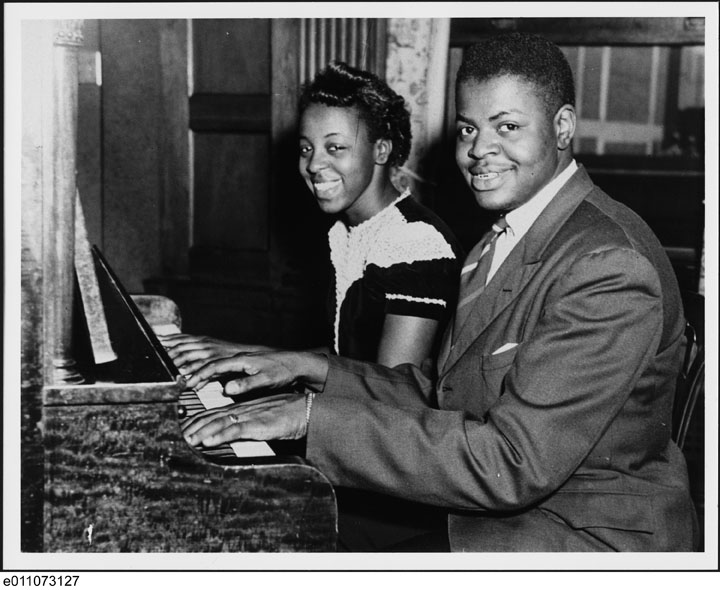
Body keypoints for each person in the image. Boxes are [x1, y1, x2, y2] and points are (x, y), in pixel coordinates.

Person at [180, 33, 698, 552]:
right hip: (501, 511)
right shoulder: (501, 238)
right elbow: (444, 392)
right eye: (468, 128)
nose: (478, 150)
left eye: (508, 127)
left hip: (576, 539)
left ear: (563, 127)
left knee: (288, 538)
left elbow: (512, 463)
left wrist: (309, 419)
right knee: (271, 520)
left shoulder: (608, 264)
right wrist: (303, 371)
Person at [163, 62, 462, 550]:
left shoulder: (415, 243)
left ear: (382, 150)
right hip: (356, 444)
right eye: (306, 148)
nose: (314, 164)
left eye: (336, 148)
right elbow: (350, 359)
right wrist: (240, 352)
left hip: (395, 491)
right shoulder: (352, 230)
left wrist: (271, 399)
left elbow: (392, 392)